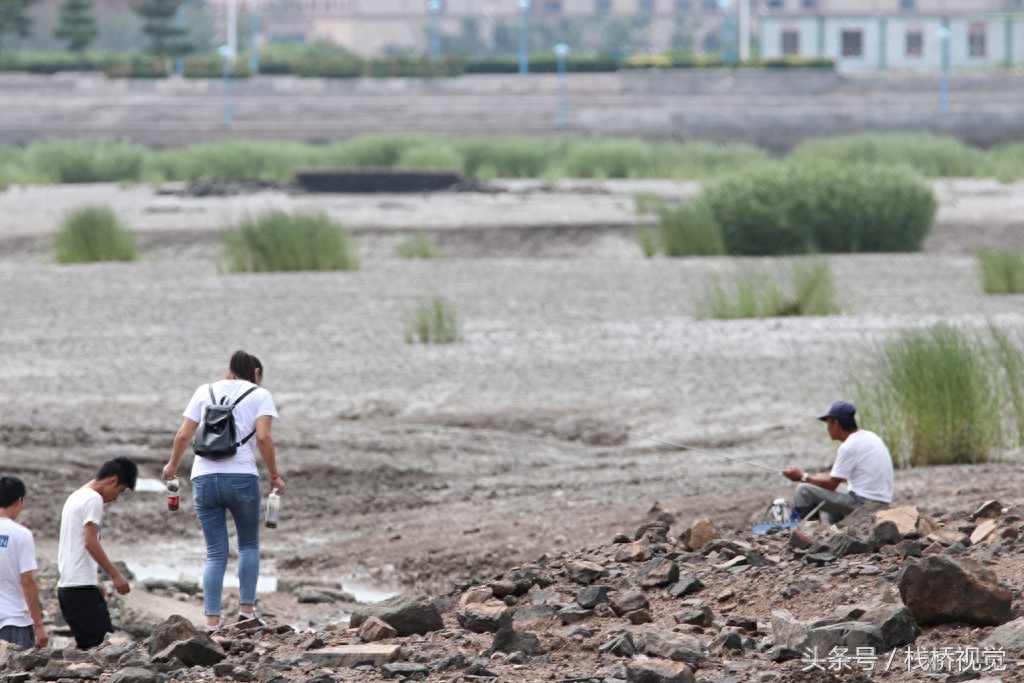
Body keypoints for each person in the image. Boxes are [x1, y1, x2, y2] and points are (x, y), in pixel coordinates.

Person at [163, 350, 284, 633]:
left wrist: (171, 466)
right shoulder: (259, 394)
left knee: (215, 553)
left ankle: (212, 623)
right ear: (255, 373)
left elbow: (183, 434)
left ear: (230, 370)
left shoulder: (204, 391)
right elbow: (264, 437)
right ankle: (246, 614)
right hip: (242, 477)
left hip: (204, 478)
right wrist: (274, 475)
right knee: (249, 545)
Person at [57, 456, 137, 649]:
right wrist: (115, 575)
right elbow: (90, 542)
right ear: (112, 480)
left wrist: (94, 579)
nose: (116, 497)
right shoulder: (94, 499)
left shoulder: (75, 496)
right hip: (81, 590)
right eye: (120, 490)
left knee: (87, 651)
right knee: (103, 651)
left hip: (67, 589)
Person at [782, 400, 894, 523]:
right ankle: (835, 528)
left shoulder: (848, 446)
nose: (827, 428)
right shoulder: (870, 437)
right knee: (832, 490)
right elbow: (844, 478)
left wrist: (802, 476)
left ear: (835, 424)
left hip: (866, 505)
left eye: (828, 423)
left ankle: (801, 529)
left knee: (803, 491)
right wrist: (819, 478)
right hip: (882, 502)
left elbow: (831, 484)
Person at [0, 476, 48, 649]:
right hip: (14, 620)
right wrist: (39, 625)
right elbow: (27, 580)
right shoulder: (21, 534)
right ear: (19, 501)